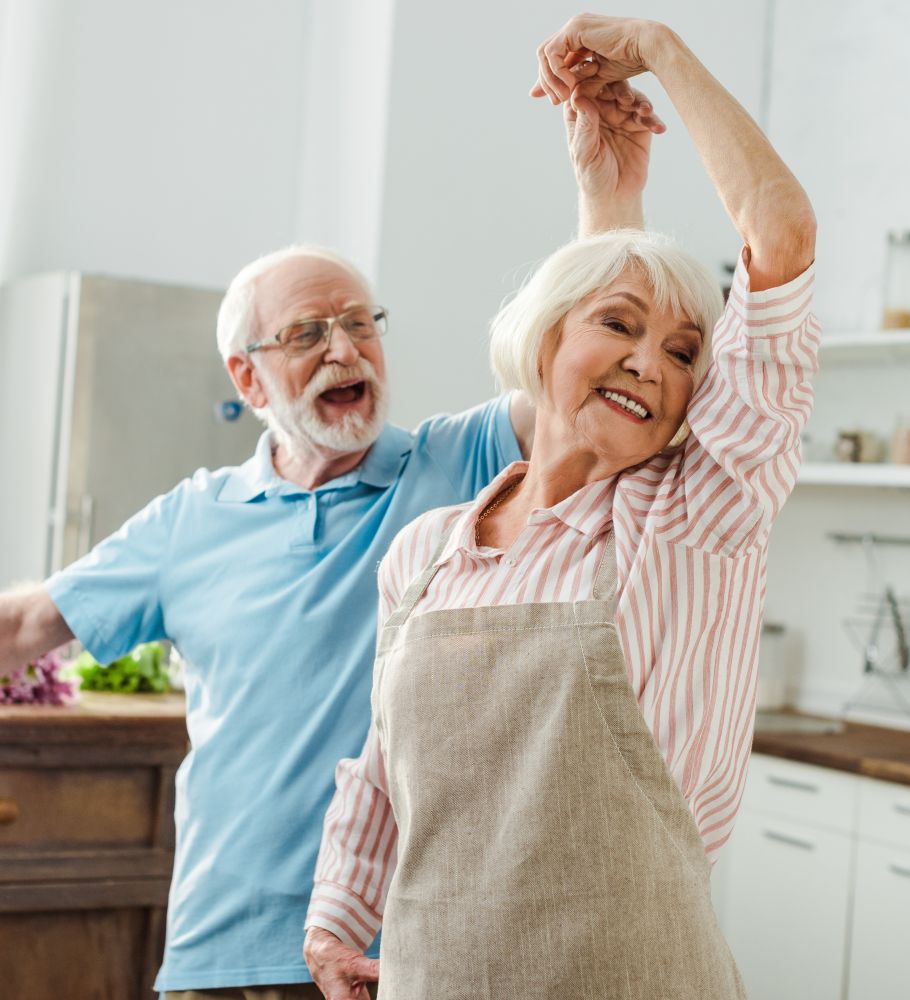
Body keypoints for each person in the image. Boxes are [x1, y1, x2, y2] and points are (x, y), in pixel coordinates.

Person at [0, 56, 664, 1000]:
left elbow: (585, 376)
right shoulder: (194, 518)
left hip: (405, 952)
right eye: (310, 333)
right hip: (217, 951)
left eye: (362, 323)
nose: (345, 350)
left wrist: (612, 192)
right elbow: (29, 626)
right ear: (248, 378)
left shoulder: (459, 463)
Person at [304, 14, 818, 1000]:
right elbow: (381, 772)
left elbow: (779, 236)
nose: (647, 361)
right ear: (540, 343)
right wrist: (334, 919)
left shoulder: (690, 518)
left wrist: (660, 52)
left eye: (682, 354)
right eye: (617, 328)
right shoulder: (423, 554)